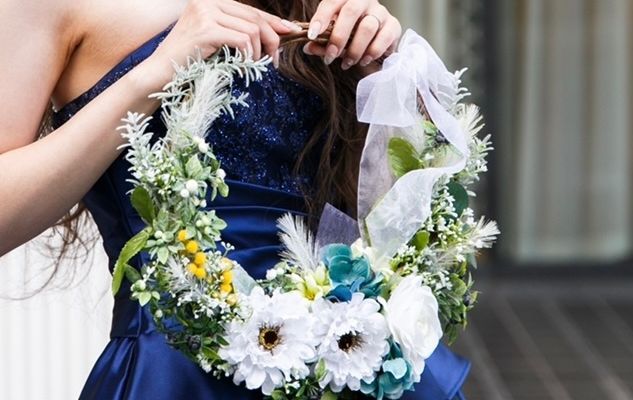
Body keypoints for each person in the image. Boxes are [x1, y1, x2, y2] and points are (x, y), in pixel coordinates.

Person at [0, 0, 469, 398]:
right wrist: (156, 74)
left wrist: (383, 79)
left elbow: (379, 214)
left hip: (350, 361)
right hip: (181, 375)